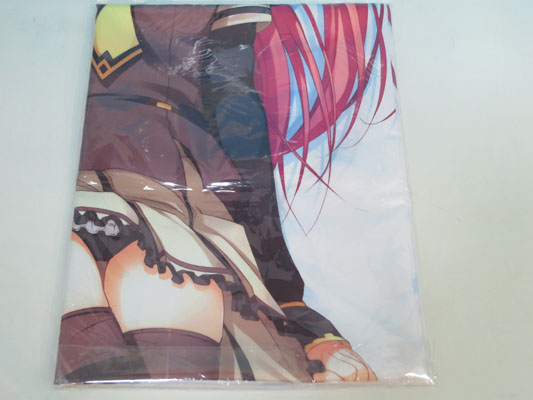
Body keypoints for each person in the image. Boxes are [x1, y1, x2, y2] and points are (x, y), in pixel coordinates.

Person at [56, 3, 386, 383]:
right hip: (139, 200)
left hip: (153, 194)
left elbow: (236, 115)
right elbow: (237, 119)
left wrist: (293, 305)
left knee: (147, 293)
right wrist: (292, 304)